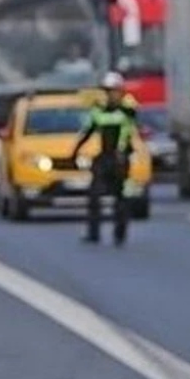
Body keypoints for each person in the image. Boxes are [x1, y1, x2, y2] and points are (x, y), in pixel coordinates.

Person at [70, 72, 139, 247]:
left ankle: (120, 233)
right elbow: (87, 132)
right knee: (94, 196)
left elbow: (132, 122)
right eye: (108, 91)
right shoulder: (98, 112)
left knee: (121, 198)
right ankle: (93, 233)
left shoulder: (127, 111)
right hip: (104, 157)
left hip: (121, 158)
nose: (111, 95)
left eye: (114, 91)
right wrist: (75, 152)